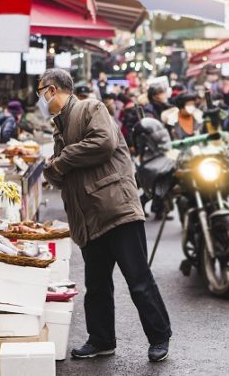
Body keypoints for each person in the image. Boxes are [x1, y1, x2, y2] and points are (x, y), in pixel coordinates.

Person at [39, 69, 172, 362]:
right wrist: (54, 168)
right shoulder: (59, 127)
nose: (41, 98)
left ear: (52, 89)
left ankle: (159, 336)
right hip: (87, 217)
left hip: (116, 208)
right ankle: (101, 339)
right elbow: (63, 175)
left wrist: (59, 162)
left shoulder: (90, 108)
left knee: (138, 278)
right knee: (96, 285)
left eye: (42, 91)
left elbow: (103, 143)